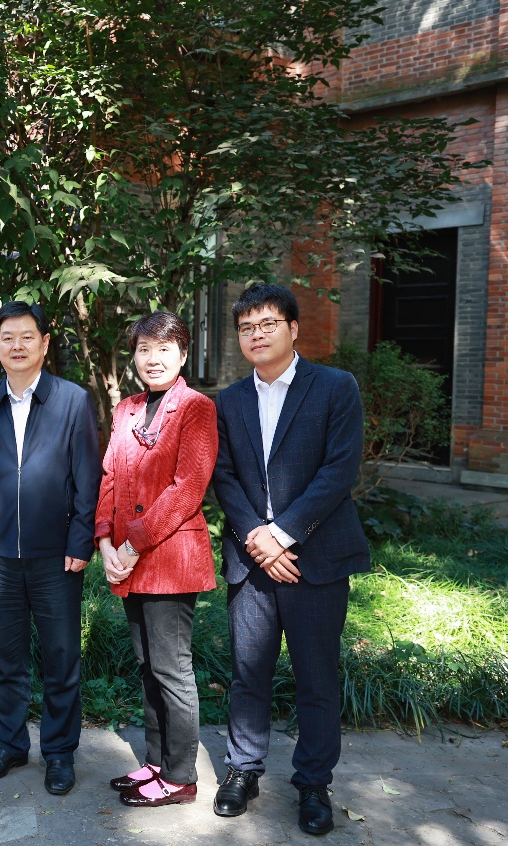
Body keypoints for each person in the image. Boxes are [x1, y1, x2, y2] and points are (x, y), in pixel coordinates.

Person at [212, 283, 370, 836]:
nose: (256, 335)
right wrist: (258, 539)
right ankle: (243, 769)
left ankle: (314, 783)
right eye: (246, 327)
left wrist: (281, 535)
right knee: (247, 674)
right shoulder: (228, 400)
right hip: (251, 561)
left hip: (316, 561)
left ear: (293, 328)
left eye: (268, 324)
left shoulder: (334, 387)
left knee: (316, 678)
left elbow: (339, 471)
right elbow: (223, 476)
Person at [0, 301, 103, 796]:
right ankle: (10, 744)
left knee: (61, 657)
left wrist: (80, 539)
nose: (16, 345)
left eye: (27, 337)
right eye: (7, 337)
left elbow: (87, 477)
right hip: (0, 554)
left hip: (56, 555)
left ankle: (59, 753)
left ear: (44, 343)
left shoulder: (71, 400)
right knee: (6, 657)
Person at [94, 312, 218, 808]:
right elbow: (109, 478)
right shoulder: (127, 408)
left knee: (171, 669)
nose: (153, 358)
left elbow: (188, 488)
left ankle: (181, 777)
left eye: (165, 348)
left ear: (183, 354)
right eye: (144, 349)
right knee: (148, 666)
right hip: (127, 558)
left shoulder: (196, 408)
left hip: (171, 558)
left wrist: (130, 545)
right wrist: (105, 542)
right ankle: (156, 763)